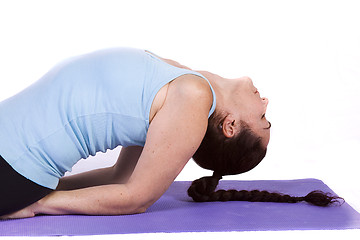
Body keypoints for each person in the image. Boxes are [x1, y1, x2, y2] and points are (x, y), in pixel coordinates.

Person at [0, 48, 341, 219]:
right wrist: (53, 187)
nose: (264, 100)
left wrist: (39, 203)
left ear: (231, 126)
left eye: (263, 116)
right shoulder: (185, 83)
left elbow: (136, 197)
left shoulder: (194, 98)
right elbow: (121, 176)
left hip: (11, 167)